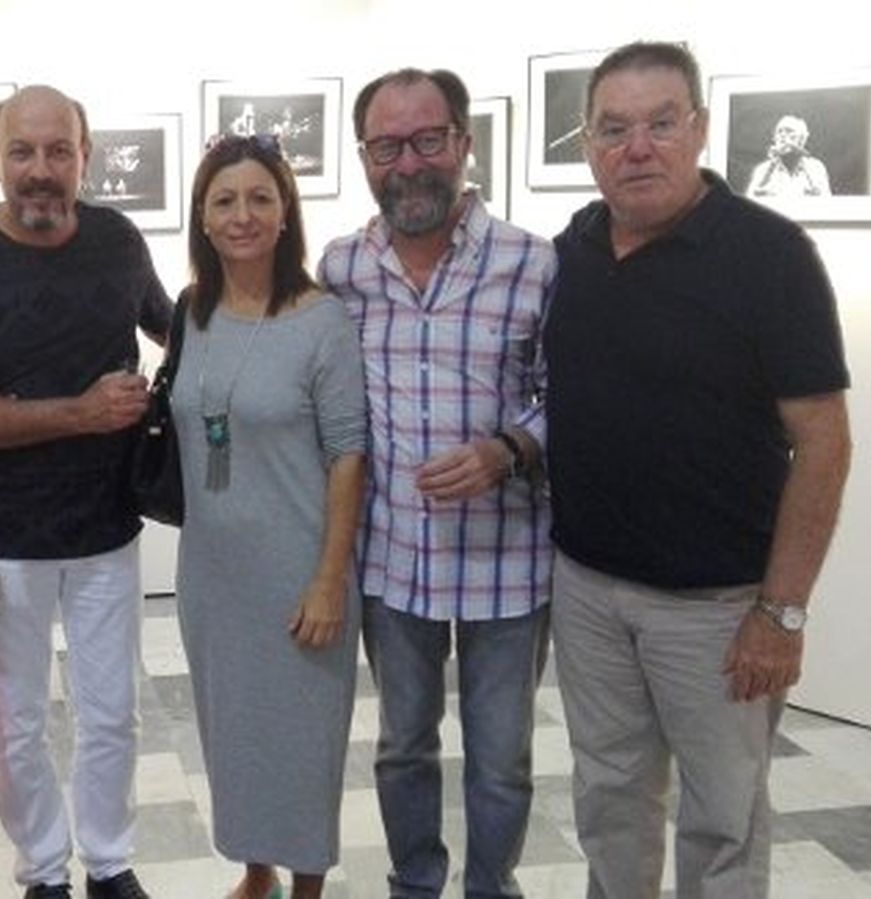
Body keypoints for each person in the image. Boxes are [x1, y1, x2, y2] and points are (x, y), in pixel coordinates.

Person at [546, 41, 851, 898]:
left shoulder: (770, 255)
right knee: (609, 797)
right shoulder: (574, 247)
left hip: (716, 608)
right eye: (614, 129)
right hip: (588, 589)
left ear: (701, 129)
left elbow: (824, 442)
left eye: (661, 123)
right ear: (589, 142)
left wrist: (780, 613)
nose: (637, 147)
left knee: (723, 820)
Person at [0, 84, 172, 899]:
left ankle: (109, 861)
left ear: (84, 157)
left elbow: (177, 326)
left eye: (59, 150)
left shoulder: (118, 239)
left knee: (113, 711)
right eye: (22, 151)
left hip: (107, 525)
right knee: (16, 720)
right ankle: (43, 872)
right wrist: (80, 412)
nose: (40, 169)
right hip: (3, 535)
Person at [318, 69, 556, 899]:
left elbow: (571, 393)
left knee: (502, 759)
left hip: (507, 558)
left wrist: (509, 448)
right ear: (364, 157)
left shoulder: (532, 262)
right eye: (387, 147)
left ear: (463, 142)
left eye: (427, 140)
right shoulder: (342, 268)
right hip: (392, 557)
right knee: (401, 747)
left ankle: (492, 887)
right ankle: (415, 886)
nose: (409, 163)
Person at [175, 133, 366, 899]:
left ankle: (306, 884)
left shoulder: (322, 321)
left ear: (286, 212)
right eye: (225, 200)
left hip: (298, 569)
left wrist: (329, 579)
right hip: (212, 573)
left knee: (303, 738)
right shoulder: (193, 311)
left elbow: (348, 455)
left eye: (260, 197)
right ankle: (256, 870)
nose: (243, 215)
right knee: (235, 732)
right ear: (203, 216)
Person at [746, 114, 831, 198]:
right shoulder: (762, 170)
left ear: (802, 139)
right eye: (779, 131)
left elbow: (826, 201)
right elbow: (750, 199)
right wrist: (771, 166)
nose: (782, 135)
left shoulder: (816, 168)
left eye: (789, 131)